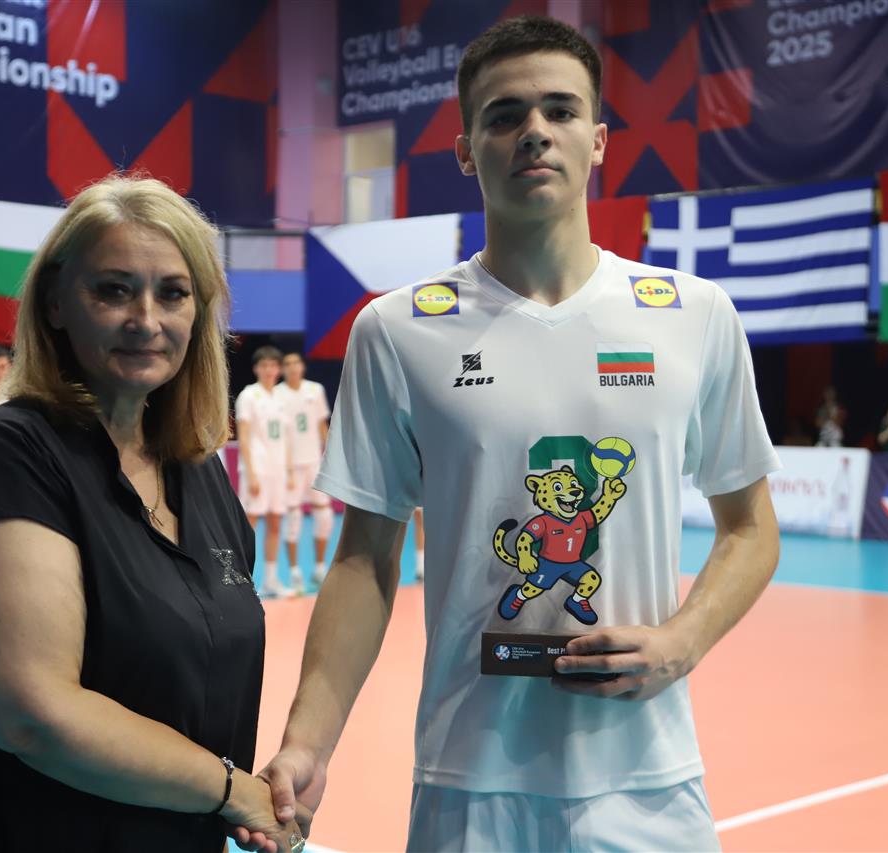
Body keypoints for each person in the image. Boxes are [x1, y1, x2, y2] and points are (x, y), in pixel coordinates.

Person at [241, 17, 780, 853]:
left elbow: (750, 527)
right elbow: (364, 559)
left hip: (649, 781)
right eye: (504, 115)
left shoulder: (693, 315)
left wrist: (683, 639)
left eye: (560, 110)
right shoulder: (397, 331)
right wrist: (307, 741)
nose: (535, 130)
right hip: (469, 783)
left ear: (598, 141)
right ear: (466, 150)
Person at [0, 175, 306, 853]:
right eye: (114, 290)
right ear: (56, 302)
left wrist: (267, 781)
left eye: (172, 293)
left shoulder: (198, 469)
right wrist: (233, 791)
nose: (146, 320)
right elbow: (31, 714)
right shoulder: (10, 453)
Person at [235, 346, 296, 597]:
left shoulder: (282, 398)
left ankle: (271, 580)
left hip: (278, 470)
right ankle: (243, 582)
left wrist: (289, 471)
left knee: (275, 523)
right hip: (257, 469)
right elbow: (244, 436)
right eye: (264, 365)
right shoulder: (249, 396)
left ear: (279, 369)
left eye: (273, 365)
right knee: (249, 526)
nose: (269, 370)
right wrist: (251, 473)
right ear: (256, 369)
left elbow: (287, 438)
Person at [274, 352, 333, 587]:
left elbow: (322, 425)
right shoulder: (277, 394)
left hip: (314, 463)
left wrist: (329, 458)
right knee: (293, 517)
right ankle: (294, 571)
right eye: (287, 364)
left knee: (324, 514)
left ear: (303, 366)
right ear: (282, 369)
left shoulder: (315, 390)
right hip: (289, 465)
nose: (292, 367)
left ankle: (320, 567)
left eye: (296, 363)